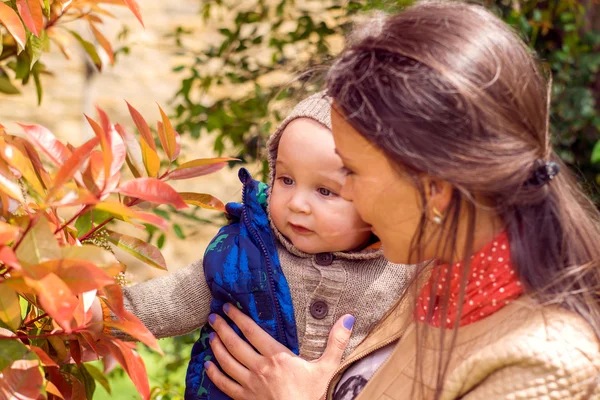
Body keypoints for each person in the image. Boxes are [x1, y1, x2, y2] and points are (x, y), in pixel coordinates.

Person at [201, 2, 600, 399]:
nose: (349, 197)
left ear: (434, 190)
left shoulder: (540, 364)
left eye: (352, 173)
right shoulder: (437, 276)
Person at [93, 93, 413, 399]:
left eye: (326, 191)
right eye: (286, 180)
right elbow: (170, 299)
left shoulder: (405, 268)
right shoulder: (244, 253)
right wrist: (86, 313)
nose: (297, 204)